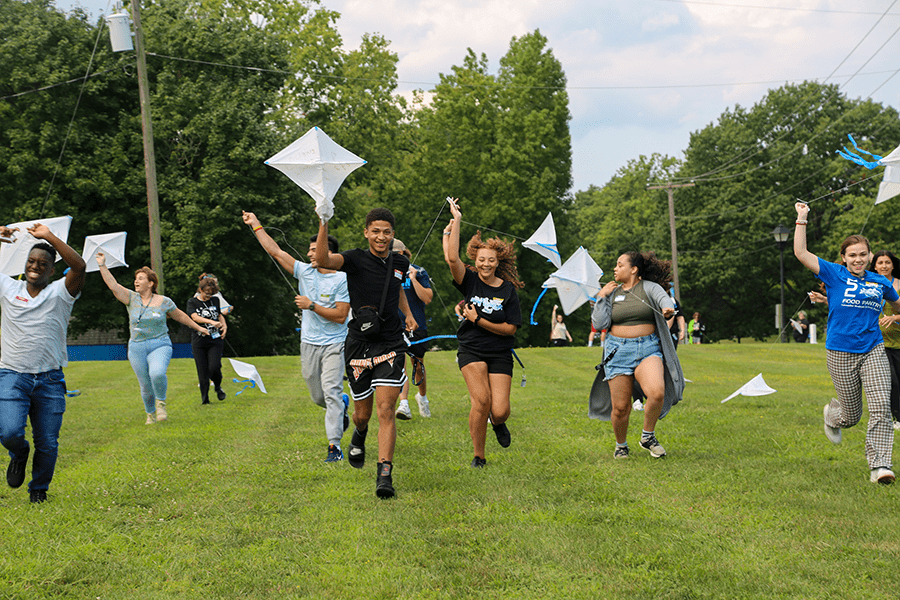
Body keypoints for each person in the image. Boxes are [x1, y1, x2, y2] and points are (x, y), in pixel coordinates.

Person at [793, 201, 899, 484]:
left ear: (870, 255)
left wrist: (896, 317)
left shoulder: (881, 282)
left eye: (863, 254)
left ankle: (880, 466)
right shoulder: (833, 274)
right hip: (840, 350)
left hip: (874, 348)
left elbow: (898, 305)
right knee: (851, 415)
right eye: (852, 255)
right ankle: (832, 414)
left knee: (881, 407)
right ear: (843, 257)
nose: (858, 259)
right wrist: (802, 218)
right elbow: (800, 253)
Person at [314, 207, 417, 498]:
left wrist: (407, 314)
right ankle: (359, 433)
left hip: (391, 343)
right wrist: (324, 221)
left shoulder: (400, 262)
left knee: (386, 409)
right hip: (359, 342)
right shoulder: (355, 259)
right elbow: (322, 259)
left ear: (393, 234)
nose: (381, 237)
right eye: (376, 231)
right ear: (366, 232)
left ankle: (384, 474)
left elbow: (396, 289)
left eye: (386, 232)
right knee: (363, 414)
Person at [243, 211, 351, 462]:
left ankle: (334, 446)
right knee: (318, 396)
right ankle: (341, 406)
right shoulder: (304, 272)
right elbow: (276, 251)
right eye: (310, 250)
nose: (311, 254)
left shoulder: (342, 279)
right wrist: (256, 225)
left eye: (316, 249)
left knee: (331, 391)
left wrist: (311, 305)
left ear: (328, 253)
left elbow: (340, 315)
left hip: (335, 343)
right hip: (309, 343)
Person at [0, 223, 85, 504]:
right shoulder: (8, 288)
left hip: (49, 379)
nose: (36, 266)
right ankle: (19, 452)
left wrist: (49, 236)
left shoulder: (61, 293)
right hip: (12, 375)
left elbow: (80, 266)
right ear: (25, 266)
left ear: (51, 270)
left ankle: (39, 489)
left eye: (43, 263)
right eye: (31, 261)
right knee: (10, 432)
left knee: (48, 443)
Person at [442, 198, 523, 468]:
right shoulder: (470, 280)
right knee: (481, 401)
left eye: (491, 260)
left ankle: (497, 423)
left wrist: (478, 320)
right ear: (475, 261)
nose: (486, 264)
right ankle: (479, 455)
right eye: (481, 260)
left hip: (500, 351)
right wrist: (457, 221)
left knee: (499, 410)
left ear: (497, 261)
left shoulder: (508, 290)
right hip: (472, 349)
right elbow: (451, 257)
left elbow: (510, 328)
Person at [591, 251, 684, 459]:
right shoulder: (612, 293)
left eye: (620, 265)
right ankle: (621, 445)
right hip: (617, 351)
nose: (615, 268)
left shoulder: (649, 288)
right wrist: (601, 297)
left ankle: (647, 436)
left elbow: (663, 300)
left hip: (647, 348)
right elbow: (599, 324)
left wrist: (667, 308)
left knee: (656, 392)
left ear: (633, 269)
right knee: (621, 408)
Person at [96, 254, 208, 424]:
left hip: (160, 344)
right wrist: (102, 265)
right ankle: (150, 414)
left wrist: (199, 328)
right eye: (136, 279)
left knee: (157, 373)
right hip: (136, 347)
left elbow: (181, 316)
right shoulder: (131, 298)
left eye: (141, 278)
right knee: (146, 386)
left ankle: (161, 403)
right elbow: (113, 285)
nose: (136, 281)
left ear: (151, 283)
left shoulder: (164, 302)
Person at [392, 239, 433, 421]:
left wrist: (414, 279)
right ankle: (404, 404)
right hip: (394, 326)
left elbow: (427, 298)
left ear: (401, 253)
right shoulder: (385, 271)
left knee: (418, 365)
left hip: (417, 325)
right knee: (399, 363)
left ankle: (422, 398)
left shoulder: (419, 271)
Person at [186, 277, 228, 405]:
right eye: (206, 293)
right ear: (200, 290)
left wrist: (224, 325)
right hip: (199, 340)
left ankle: (217, 387)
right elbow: (194, 317)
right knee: (202, 370)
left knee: (215, 366)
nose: (208, 296)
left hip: (215, 340)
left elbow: (219, 315)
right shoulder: (192, 302)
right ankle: (205, 399)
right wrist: (210, 322)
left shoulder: (215, 300)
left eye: (211, 293)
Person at [872, 251, 900, 429]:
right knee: (892, 381)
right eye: (880, 262)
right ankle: (896, 418)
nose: (884, 266)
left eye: (887, 262)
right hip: (878, 342)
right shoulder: (869, 285)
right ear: (874, 266)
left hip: (898, 341)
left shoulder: (899, 284)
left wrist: (894, 317)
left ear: (893, 265)